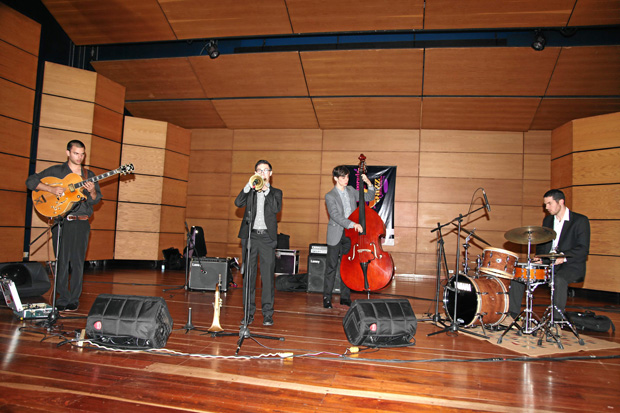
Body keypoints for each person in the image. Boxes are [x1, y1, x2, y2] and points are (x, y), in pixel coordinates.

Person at [26, 140, 102, 312]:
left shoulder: (88, 174)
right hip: (62, 222)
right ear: (68, 153)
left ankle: (74, 298)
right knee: (61, 261)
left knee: (77, 262)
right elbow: (31, 182)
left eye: (82, 154)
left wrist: (92, 191)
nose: (80, 157)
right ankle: (62, 297)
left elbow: (95, 200)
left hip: (82, 222)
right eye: (76, 153)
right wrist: (51, 189)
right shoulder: (56, 171)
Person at [508, 189, 590, 321]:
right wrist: (540, 257)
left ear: (561, 202)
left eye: (549, 203)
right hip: (549, 263)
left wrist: (563, 257)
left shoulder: (580, 220)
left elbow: (583, 249)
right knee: (519, 273)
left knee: (559, 279)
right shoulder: (548, 220)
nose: (546, 207)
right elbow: (543, 244)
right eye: (545, 204)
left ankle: (556, 321)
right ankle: (512, 315)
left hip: (571, 265)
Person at [235, 160, 282, 326]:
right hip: (251, 237)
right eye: (259, 170)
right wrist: (248, 186)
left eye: (265, 170)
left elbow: (276, 208)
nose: (262, 173)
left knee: (267, 277)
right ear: (255, 173)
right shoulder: (251, 192)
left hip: (267, 238)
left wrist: (266, 190)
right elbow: (238, 203)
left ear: (271, 173)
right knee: (249, 276)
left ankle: (267, 314)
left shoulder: (276, 192)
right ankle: (248, 313)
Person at [323, 165, 375, 308]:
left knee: (347, 267)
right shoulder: (330, 196)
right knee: (331, 267)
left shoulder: (351, 190)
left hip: (350, 235)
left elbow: (369, 197)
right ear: (335, 178)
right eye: (343, 177)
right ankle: (327, 298)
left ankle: (345, 297)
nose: (346, 179)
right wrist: (352, 224)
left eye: (347, 177)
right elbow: (335, 215)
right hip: (336, 234)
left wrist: (368, 183)